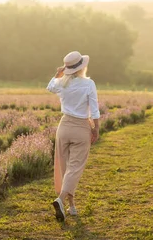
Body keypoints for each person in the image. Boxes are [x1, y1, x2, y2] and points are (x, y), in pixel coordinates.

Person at [46, 51, 101, 222]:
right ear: (82, 67)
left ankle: (72, 206)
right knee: (74, 168)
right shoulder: (89, 84)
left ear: (67, 68)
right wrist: (96, 129)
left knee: (65, 168)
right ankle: (61, 200)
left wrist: (58, 73)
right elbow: (95, 109)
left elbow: (49, 86)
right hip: (81, 127)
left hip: (64, 127)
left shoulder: (61, 83)